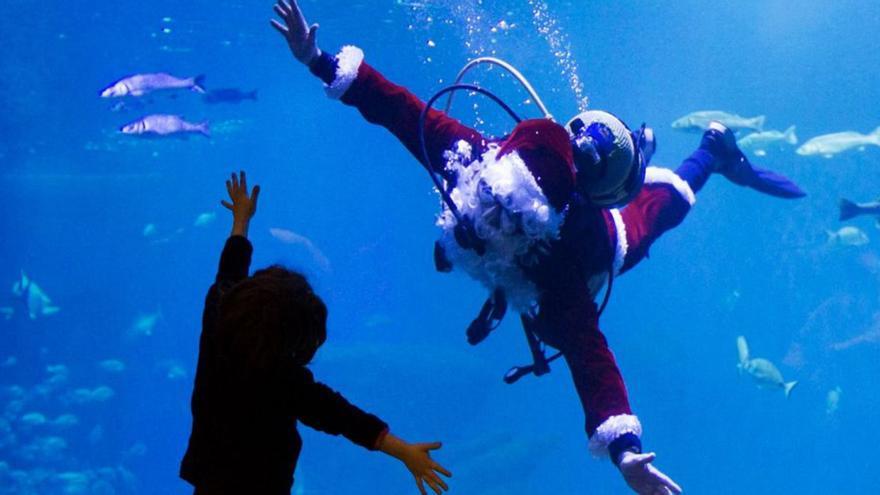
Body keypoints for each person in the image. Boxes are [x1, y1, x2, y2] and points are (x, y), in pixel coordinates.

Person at [270, 2, 805, 494]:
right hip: (581, 199)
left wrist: (625, 451)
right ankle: (638, 149)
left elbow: (589, 354)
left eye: (513, 217)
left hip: (606, 246)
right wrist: (315, 58)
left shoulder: (559, 266)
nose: (493, 218)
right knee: (647, 195)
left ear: (540, 222)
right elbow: (399, 109)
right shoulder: (472, 156)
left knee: (664, 206)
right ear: (494, 168)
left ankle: (709, 148)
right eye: (493, 200)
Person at [180, 171, 453, 495]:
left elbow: (230, 269)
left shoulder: (219, 319)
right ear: (295, 338)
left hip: (208, 482)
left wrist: (241, 220)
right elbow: (342, 416)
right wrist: (404, 451)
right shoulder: (284, 381)